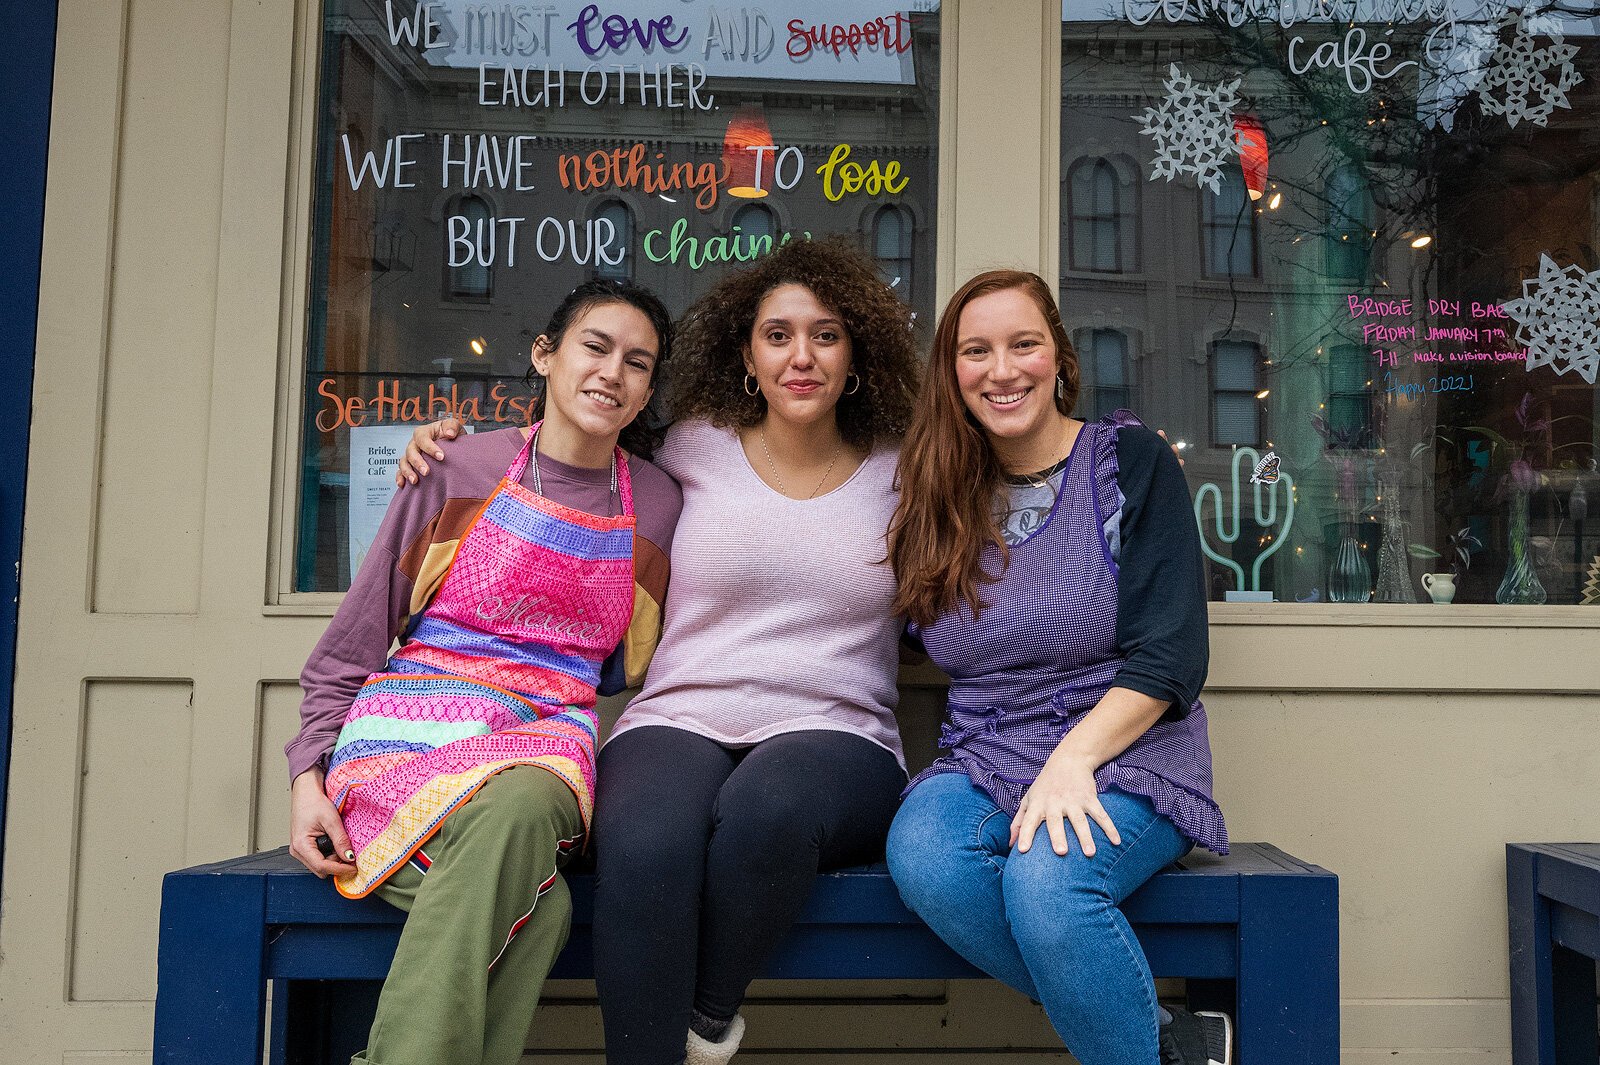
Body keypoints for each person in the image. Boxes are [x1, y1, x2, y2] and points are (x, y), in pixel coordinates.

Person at [399, 238, 921, 1065]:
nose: (801, 355)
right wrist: (447, 449)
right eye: (777, 334)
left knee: (765, 812)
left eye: (826, 334)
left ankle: (702, 1028)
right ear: (746, 354)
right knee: (642, 842)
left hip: (840, 729)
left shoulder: (907, 470)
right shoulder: (687, 450)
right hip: (680, 712)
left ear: (857, 353)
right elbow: (566, 450)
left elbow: (998, 504)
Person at [285, 279, 683, 1065]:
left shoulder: (662, 504)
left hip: (545, 745)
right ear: (545, 354)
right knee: (543, 909)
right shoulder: (455, 467)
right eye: (595, 346)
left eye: (638, 363)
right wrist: (306, 778)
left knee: (523, 807)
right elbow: (354, 640)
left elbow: (634, 660)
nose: (613, 373)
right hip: (404, 742)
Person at [883, 270, 1231, 1065]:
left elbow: (1173, 653)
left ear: (1059, 358)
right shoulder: (934, 494)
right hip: (985, 751)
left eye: (1023, 344)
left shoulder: (1131, 463)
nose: (1002, 369)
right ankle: (1162, 1038)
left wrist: (1074, 757)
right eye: (976, 351)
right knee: (926, 860)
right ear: (952, 371)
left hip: (1128, 751)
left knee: (1049, 890)